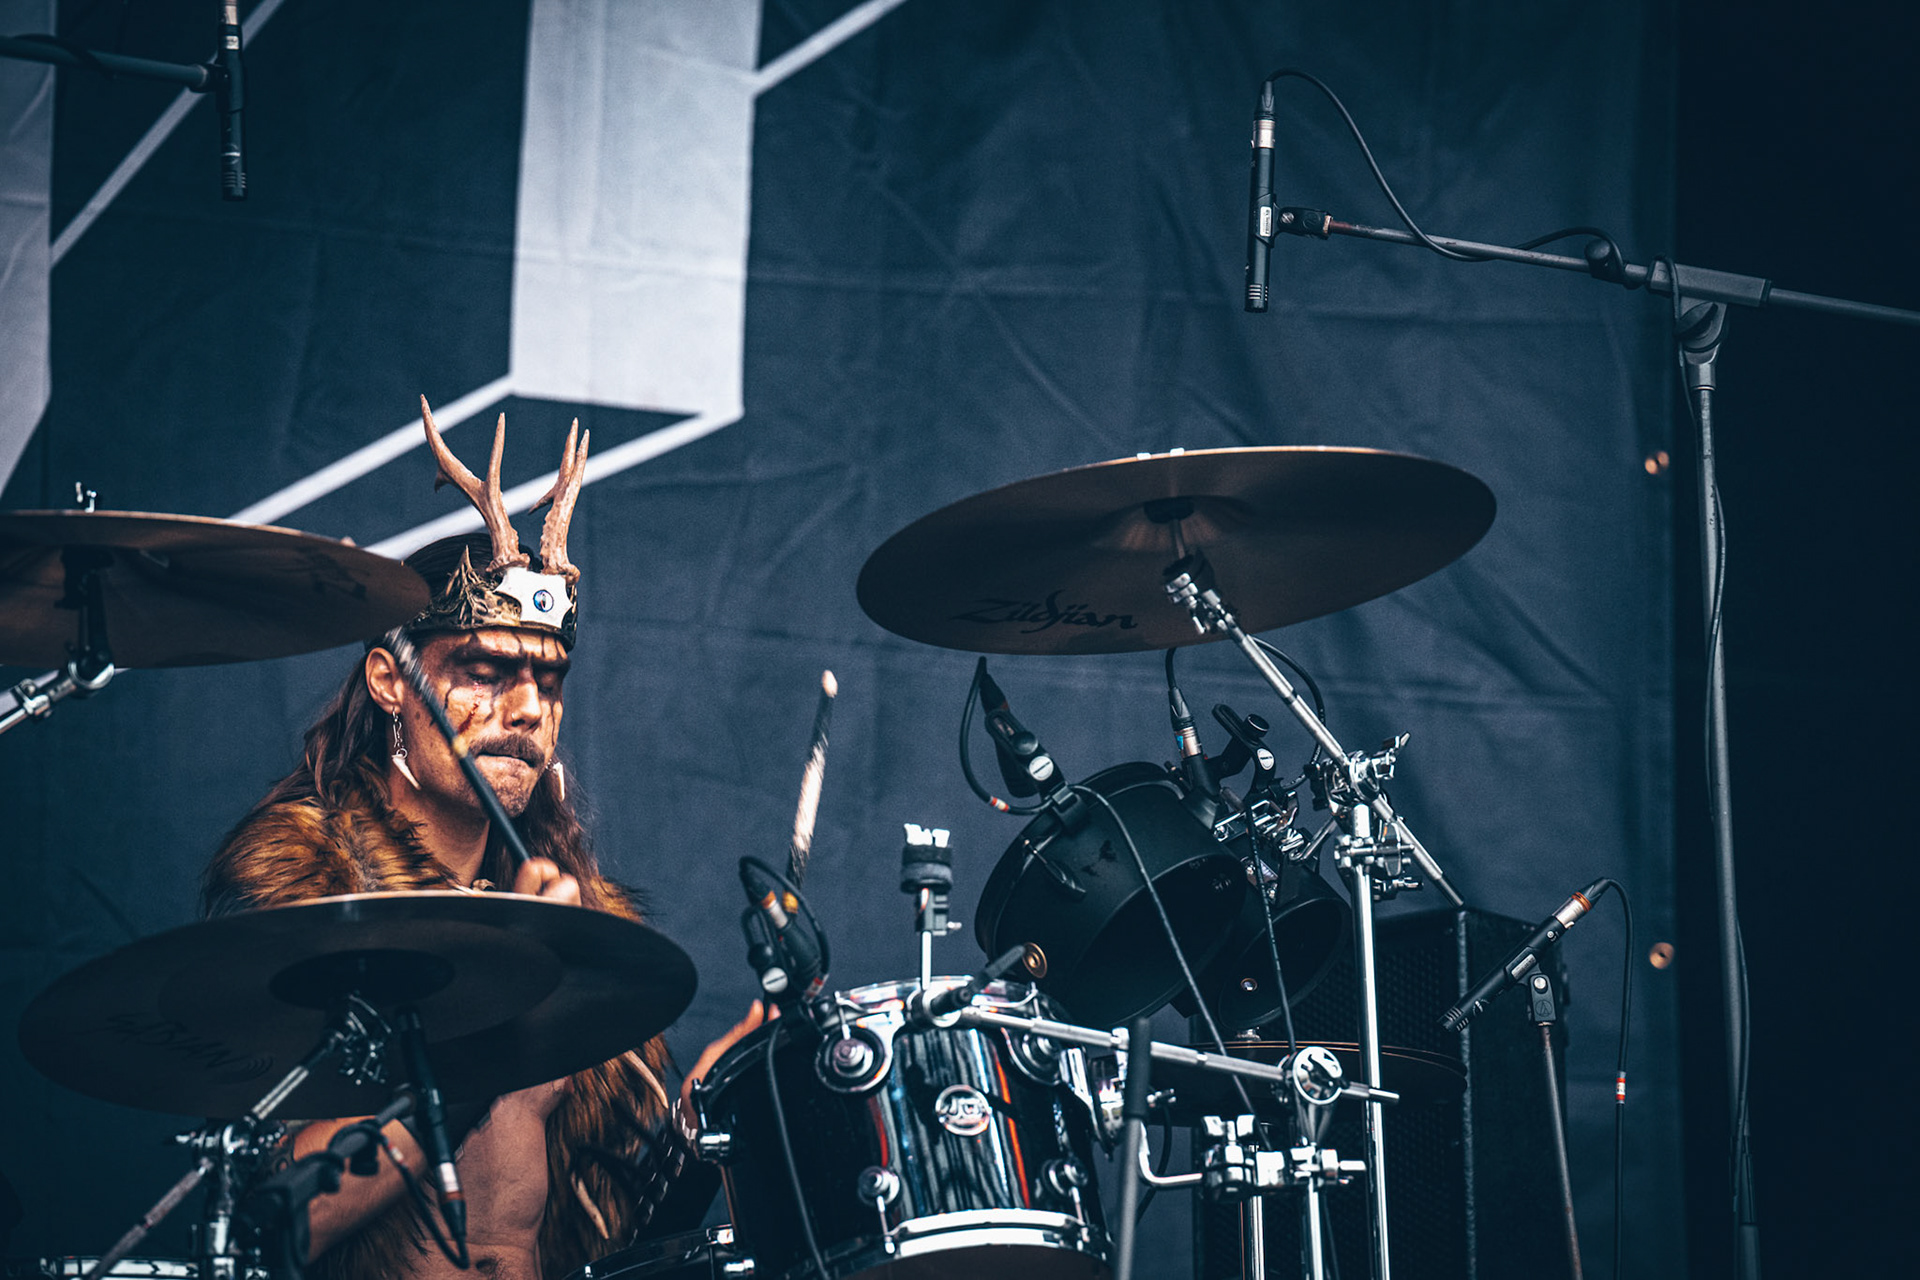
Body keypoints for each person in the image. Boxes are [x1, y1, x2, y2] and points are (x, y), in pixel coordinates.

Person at [202, 399, 762, 1280]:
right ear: (391, 681)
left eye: (550, 680)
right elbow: (264, 1223)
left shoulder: (575, 917)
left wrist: (703, 1119)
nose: (529, 709)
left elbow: (611, 1246)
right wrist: (494, 1039)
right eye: (486, 671)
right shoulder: (311, 896)